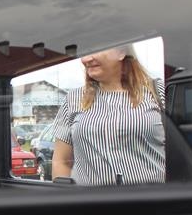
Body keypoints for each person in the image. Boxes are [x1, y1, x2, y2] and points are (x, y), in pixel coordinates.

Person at [51, 45, 165, 186]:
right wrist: (68, 197)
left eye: (95, 49)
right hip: (91, 199)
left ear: (121, 52)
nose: (86, 59)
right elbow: (61, 161)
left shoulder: (156, 92)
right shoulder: (73, 99)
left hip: (152, 198)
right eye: (83, 52)